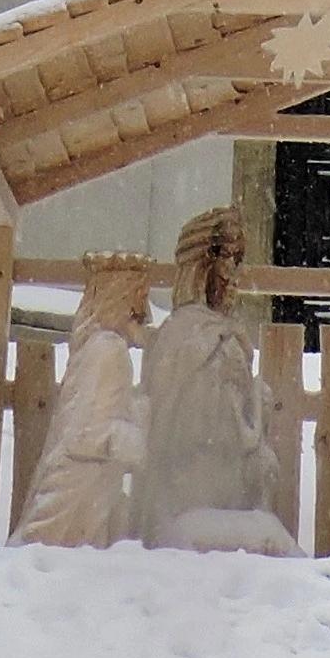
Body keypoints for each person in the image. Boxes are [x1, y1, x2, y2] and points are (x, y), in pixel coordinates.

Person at [138, 210, 292, 547]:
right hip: (191, 484)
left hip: (228, 484)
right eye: (226, 256)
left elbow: (237, 421)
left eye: (238, 259)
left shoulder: (223, 335)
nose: (233, 272)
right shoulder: (182, 336)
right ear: (202, 263)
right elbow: (188, 425)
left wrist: (253, 407)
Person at [12, 256, 152, 548]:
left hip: (88, 484)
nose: (146, 314)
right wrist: (134, 429)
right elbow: (85, 434)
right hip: (79, 488)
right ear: (119, 300)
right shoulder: (109, 350)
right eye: (138, 301)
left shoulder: (96, 348)